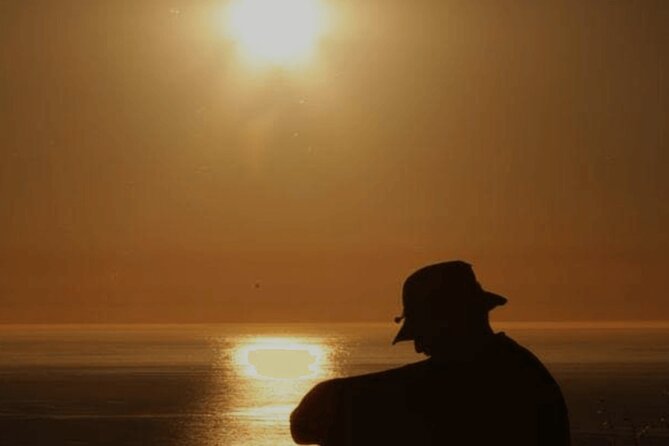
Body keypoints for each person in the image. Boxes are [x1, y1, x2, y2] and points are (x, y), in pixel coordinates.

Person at [290, 260, 570, 445]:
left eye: (422, 333)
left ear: (452, 321)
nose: (418, 347)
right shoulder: (516, 366)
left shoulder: (497, 378)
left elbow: (312, 417)